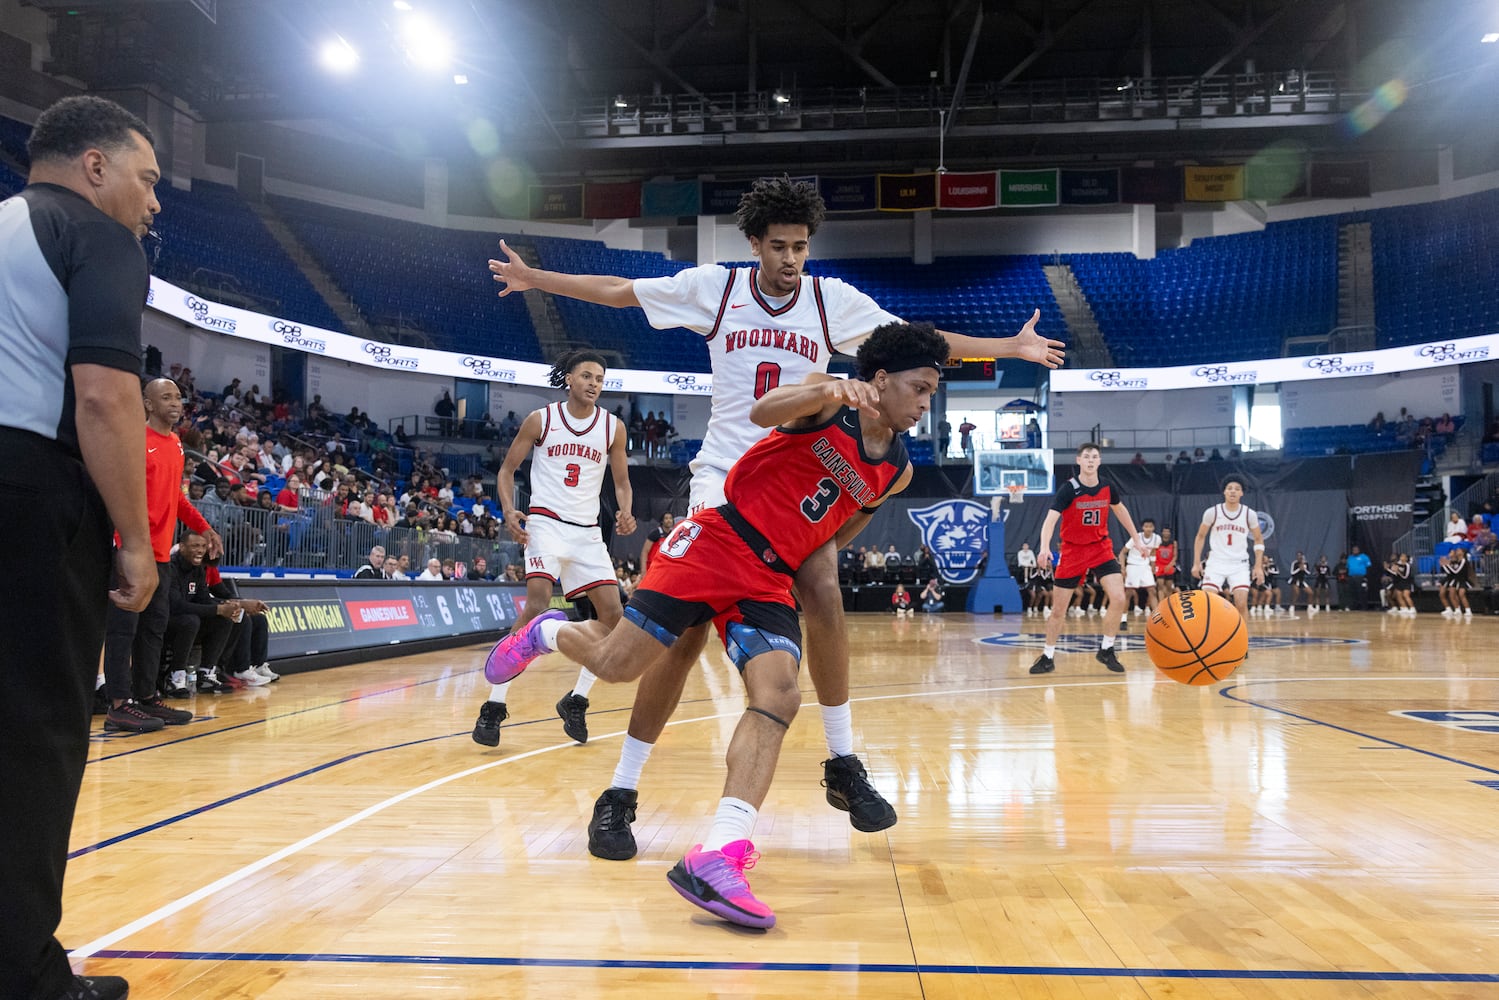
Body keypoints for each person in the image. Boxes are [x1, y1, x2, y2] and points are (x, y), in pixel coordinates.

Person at [488, 175, 1063, 860]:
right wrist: (534, 278)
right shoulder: (716, 289)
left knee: (822, 583)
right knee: (681, 644)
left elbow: (918, 342)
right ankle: (621, 792)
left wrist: (1007, 347)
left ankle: (842, 761)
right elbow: (619, 290)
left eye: (801, 247)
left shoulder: (830, 301)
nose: (792, 259)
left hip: (788, 483)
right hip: (723, 485)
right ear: (755, 244)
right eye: (780, 246)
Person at [483, 321, 942, 928]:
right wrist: (826, 389)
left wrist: (807, 565)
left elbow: (842, 526)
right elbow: (762, 410)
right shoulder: (826, 403)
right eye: (919, 388)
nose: (924, 403)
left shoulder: (900, 467)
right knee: (618, 666)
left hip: (769, 576)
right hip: (716, 541)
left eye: (932, 393)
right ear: (880, 380)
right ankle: (543, 632)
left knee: (779, 694)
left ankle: (721, 852)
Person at [1, 95, 163, 1000]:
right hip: (30, 492)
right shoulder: (96, 237)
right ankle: (25, 976)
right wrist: (134, 540)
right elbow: (105, 398)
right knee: (34, 739)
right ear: (94, 165)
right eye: (145, 178)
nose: (153, 203)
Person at [471, 350, 635, 748]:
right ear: (569, 379)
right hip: (544, 522)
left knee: (615, 619)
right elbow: (507, 470)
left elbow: (622, 482)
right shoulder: (541, 419)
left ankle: (577, 699)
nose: (594, 383)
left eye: (600, 378)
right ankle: (494, 706)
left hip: (588, 533)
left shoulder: (613, 428)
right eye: (587, 376)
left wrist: (626, 511)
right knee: (537, 605)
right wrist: (509, 510)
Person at [100, 378, 222, 733]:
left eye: (178, 397)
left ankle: (147, 697)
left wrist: (206, 528)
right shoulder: (136, 441)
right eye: (166, 397)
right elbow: (122, 492)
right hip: (132, 550)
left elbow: (178, 498)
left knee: (153, 628)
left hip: (161, 554)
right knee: (124, 629)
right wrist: (126, 544)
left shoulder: (176, 444)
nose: (175, 403)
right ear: (148, 405)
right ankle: (119, 705)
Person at [1029, 442, 1148, 675]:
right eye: (1087, 456)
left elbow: (1121, 511)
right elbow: (1050, 520)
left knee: (1118, 597)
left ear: (1099, 461)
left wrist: (1137, 539)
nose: (1091, 460)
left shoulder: (1107, 487)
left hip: (1100, 547)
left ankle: (1107, 649)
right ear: (1079, 461)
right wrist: (1044, 548)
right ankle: (1047, 655)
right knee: (1058, 610)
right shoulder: (1069, 489)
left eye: (1095, 456)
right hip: (1073, 551)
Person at [164, 532, 245, 693]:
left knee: (223, 619)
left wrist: (226, 607)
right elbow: (176, 605)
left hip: (188, 623)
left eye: (202, 546)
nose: (200, 550)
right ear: (181, 547)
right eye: (195, 546)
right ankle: (175, 676)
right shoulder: (170, 568)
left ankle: (206, 673)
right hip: (165, 623)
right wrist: (218, 608)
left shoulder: (199, 570)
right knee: (191, 620)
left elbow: (204, 600)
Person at [1191, 476, 1265, 620]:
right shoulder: (1212, 512)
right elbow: (1200, 536)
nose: (1233, 492)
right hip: (1216, 562)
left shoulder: (1249, 514)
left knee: (1241, 603)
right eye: (1229, 488)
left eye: (1237, 489)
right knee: (1208, 602)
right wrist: (1196, 563)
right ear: (1224, 491)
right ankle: (1209, 638)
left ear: (1242, 493)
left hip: (1239, 564)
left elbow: (1258, 539)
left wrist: (1258, 566)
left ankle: (1242, 639)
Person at [1119, 517, 1159, 626]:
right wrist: (1123, 567)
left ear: (1153, 528)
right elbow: (1122, 553)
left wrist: (1153, 565)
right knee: (1128, 593)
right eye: (1146, 526)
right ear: (1143, 527)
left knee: (1152, 590)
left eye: (1150, 526)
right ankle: (1123, 619)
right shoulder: (1135, 537)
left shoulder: (1157, 538)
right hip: (1133, 566)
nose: (1148, 528)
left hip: (1145, 567)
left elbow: (1153, 552)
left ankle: (1157, 619)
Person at [1439, 548, 1473, 617]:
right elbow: (1449, 571)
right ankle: (1457, 610)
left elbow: (1456, 572)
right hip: (1456, 579)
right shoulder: (1456, 561)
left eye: (1458, 551)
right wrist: (1444, 565)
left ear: (1463, 553)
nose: (1457, 552)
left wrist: (1446, 564)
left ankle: (1468, 610)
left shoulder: (1463, 561)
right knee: (1451, 595)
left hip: (1462, 580)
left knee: (1461, 595)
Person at [1153, 526, 1178, 603]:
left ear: (1170, 533)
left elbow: (1175, 556)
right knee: (1160, 586)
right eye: (1164, 531)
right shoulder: (1158, 542)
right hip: (1159, 566)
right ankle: (1161, 603)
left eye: (1168, 531)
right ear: (1162, 533)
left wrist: (1170, 565)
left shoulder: (1173, 543)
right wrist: (1153, 566)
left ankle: (1168, 603)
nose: (1166, 533)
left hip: (1169, 566)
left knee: (1169, 586)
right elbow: (1153, 554)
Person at [1345, 545, 1372, 611]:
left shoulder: (1364, 557)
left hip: (1361, 577)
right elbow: (1347, 567)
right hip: (1351, 577)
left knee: (1362, 592)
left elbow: (1369, 566)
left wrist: (1366, 577)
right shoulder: (1350, 558)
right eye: (1354, 550)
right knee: (1352, 592)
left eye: (1356, 549)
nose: (1355, 551)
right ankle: (1353, 606)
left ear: (1359, 550)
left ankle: (1364, 607)